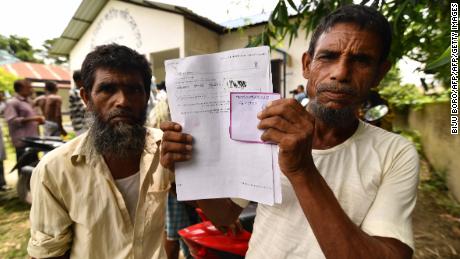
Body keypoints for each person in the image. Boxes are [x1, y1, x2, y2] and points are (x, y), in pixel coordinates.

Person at [160, 4, 419, 259]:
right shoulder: (271, 129)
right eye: (328, 57)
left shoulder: (395, 153)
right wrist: (187, 167)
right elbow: (224, 216)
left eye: (361, 60)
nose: (341, 73)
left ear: (379, 74)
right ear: (307, 65)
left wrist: (301, 168)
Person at [28, 44, 172, 259]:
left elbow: (220, 215)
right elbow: (48, 254)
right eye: (107, 89)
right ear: (86, 98)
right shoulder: (55, 170)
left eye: (134, 89)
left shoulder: (167, 150)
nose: (122, 101)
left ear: (145, 97)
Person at [4, 79, 44, 162]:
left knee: (33, 168)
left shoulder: (28, 101)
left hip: (32, 140)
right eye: (29, 88)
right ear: (20, 88)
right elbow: (12, 120)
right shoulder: (12, 102)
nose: (31, 90)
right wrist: (33, 119)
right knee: (24, 168)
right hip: (22, 142)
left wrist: (37, 121)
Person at [69, 70, 88, 135]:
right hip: (81, 126)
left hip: (80, 126)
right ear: (80, 80)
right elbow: (84, 108)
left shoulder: (75, 91)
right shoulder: (76, 92)